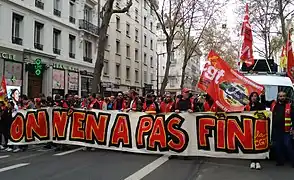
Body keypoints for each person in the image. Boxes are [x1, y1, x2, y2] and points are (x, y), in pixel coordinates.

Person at [270, 91, 294, 167]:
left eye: (283, 96)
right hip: (276, 130)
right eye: (280, 96)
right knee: (278, 146)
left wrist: (293, 128)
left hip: (286, 130)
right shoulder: (274, 105)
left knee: (288, 146)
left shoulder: (289, 106)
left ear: (285, 97)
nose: (282, 97)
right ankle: (280, 161)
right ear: (278, 97)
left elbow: (293, 118)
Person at [244, 92, 265, 170]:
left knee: (258, 144)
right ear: (250, 97)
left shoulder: (261, 105)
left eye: (255, 96)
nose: (254, 98)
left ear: (257, 97)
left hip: (258, 127)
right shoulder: (247, 106)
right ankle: (252, 161)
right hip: (249, 127)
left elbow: (264, 115)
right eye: (252, 96)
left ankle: (258, 161)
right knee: (251, 144)